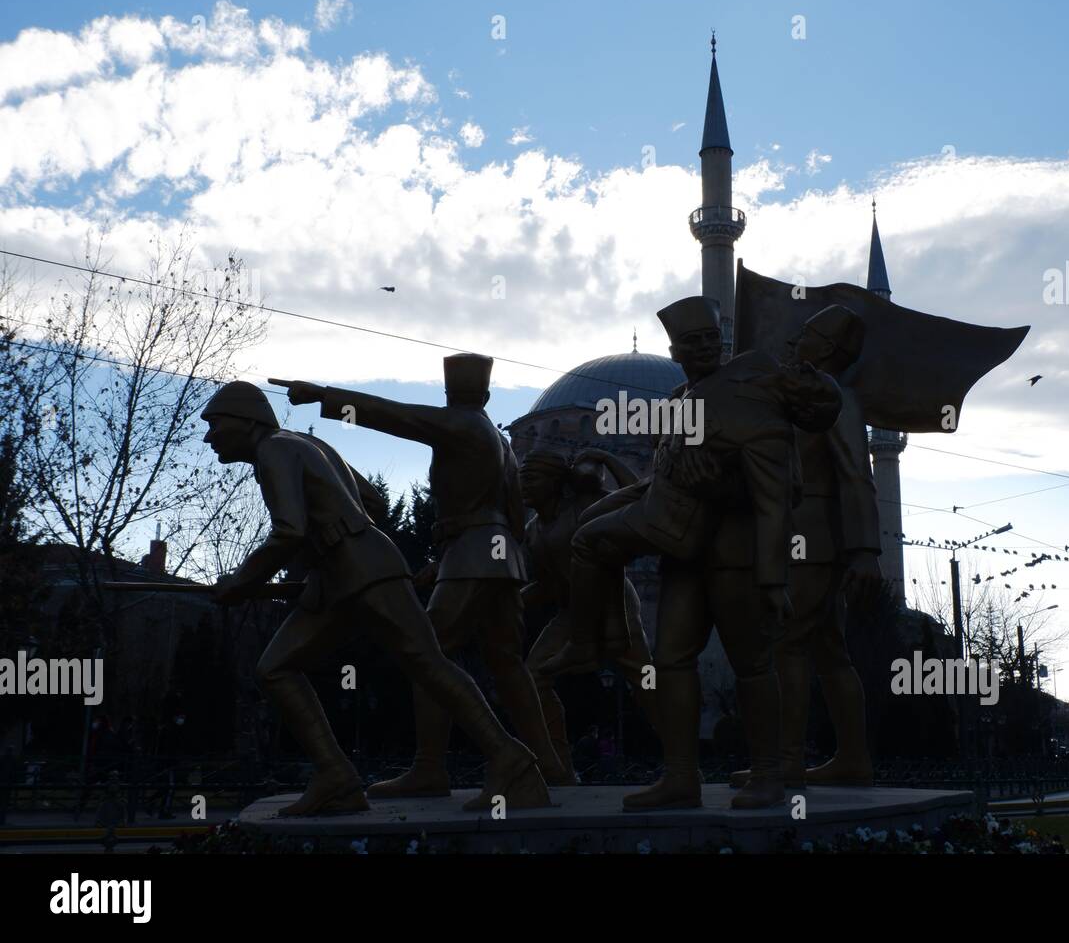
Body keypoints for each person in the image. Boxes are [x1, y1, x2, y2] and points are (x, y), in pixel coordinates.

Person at [540, 295, 842, 810]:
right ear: (676, 349)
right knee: (671, 659)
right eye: (691, 341)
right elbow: (664, 484)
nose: (701, 348)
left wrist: (773, 580)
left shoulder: (753, 401)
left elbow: (779, 496)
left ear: (722, 344)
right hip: (682, 554)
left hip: (734, 558)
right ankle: (681, 776)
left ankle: (769, 773)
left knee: (751, 663)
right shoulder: (682, 399)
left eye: (709, 340)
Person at [201, 380, 548, 815]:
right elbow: (371, 501)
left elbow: (288, 529)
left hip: (362, 572)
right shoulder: (307, 444)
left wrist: (241, 580)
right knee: (279, 667)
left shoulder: (272, 451)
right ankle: (337, 779)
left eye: (214, 424)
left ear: (245, 419)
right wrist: (325, 554)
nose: (209, 436)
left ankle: (511, 764)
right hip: (346, 573)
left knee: (427, 660)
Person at [275, 356, 568, 794]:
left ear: (450, 397)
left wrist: (324, 395)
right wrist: (451, 559)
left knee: (427, 656)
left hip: (473, 554)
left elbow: (396, 415)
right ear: (486, 395)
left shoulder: (464, 425)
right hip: (496, 558)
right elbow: (511, 515)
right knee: (507, 663)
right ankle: (550, 765)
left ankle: (432, 768)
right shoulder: (499, 442)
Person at [729, 305, 882, 790]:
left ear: (831, 350)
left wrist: (864, 550)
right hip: (810, 537)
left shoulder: (835, 397)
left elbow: (858, 475)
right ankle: (852, 759)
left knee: (787, 642)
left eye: (809, 333)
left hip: (812, 539)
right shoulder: (803, 395)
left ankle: (787, 761)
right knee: (828, 648)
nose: (796, 339)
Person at [518, 447, 660, 781]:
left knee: (646, 680)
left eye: (532, 478)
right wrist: (512, 602)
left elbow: (641, 497)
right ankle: (559, 767)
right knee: (532, 677)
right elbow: (548, 585)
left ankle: (684, 765)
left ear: (556, 482)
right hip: (571, 613)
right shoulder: (534, 530)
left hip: (613, 603)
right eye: (521, 478)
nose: (523, 486)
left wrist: (608, 459)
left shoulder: (585, 506)